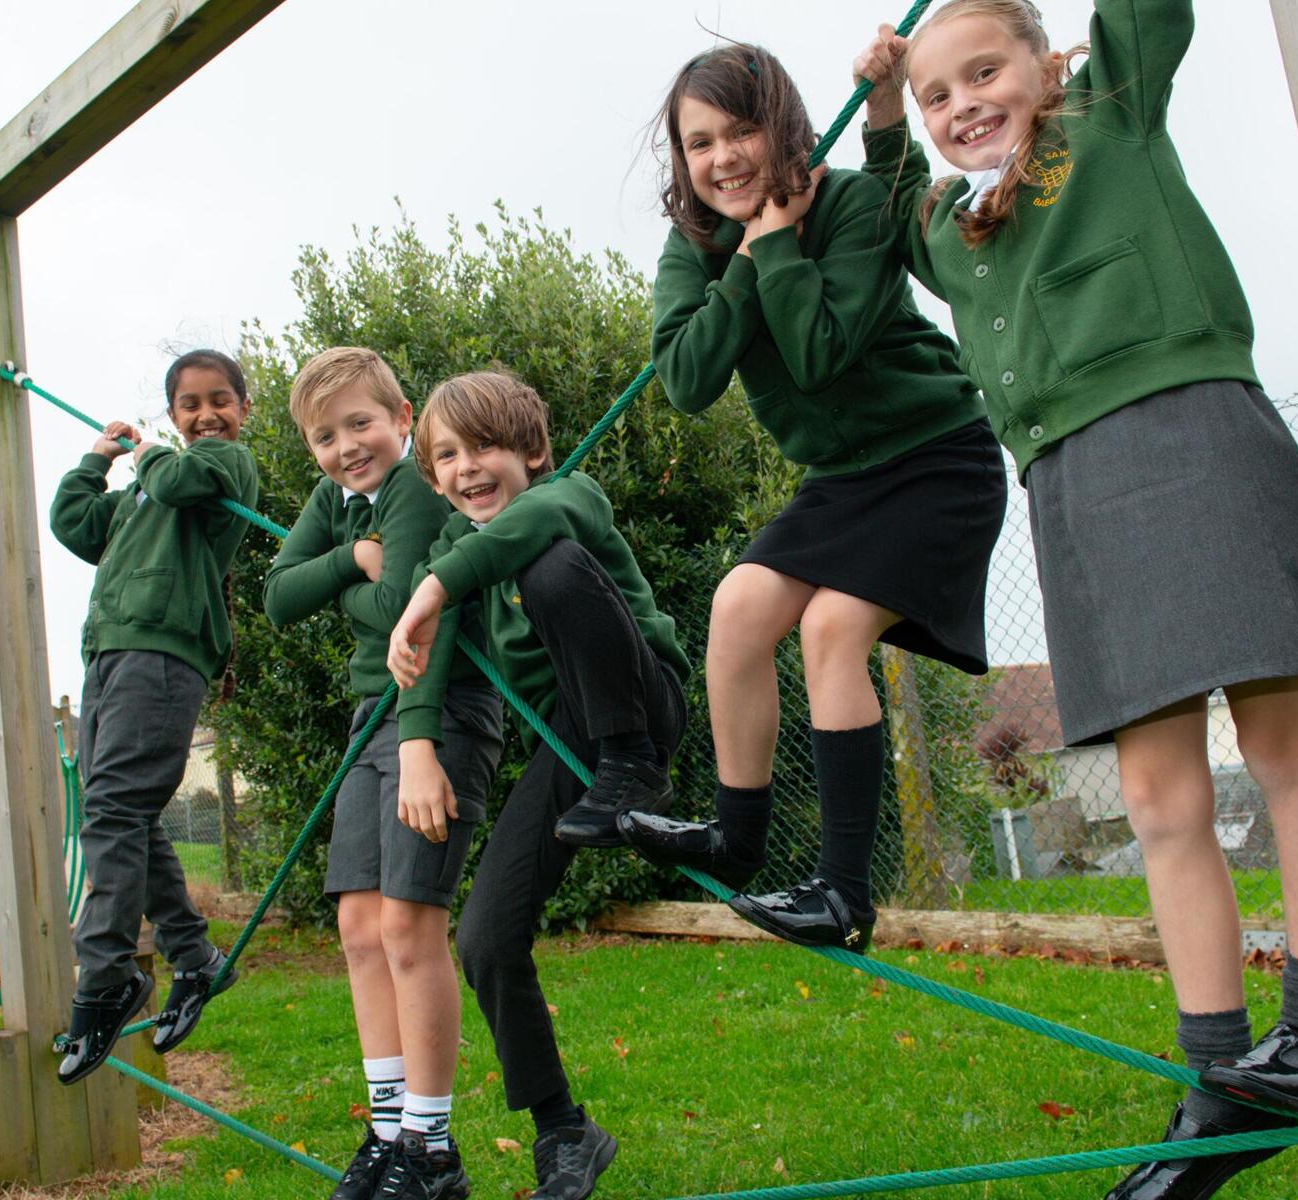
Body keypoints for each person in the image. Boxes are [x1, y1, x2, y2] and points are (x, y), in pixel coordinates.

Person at [854, 4, 1298, 1195]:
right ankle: (1219, 1086)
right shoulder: (954, 227)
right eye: (936, 96)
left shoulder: (1106, 118)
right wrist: (880, 110)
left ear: (1047, 63)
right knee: (1152, 795)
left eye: (984, 71)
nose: (962, 105)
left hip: (1188, 437)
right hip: (1070, 490)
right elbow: (895, 213)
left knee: (1277, 742)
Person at [621, 42, 1004, 954]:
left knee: (832, 629)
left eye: (742, 131)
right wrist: (749, 257)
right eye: (700, 142)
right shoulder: (697, 245)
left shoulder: (851, 204)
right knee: (739, 605)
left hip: (934, 458)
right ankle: (737, 835)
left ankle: (843, 894)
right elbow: (686, 377)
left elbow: (821, 351)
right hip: (842, 478)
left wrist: (780, 243)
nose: (724, 157)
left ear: (782, 124)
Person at [388, 372, 688, 1200]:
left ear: (532, 452)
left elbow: (534, 532)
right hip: (569, 743)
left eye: (485, 446)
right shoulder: (458, 553)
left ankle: (634, 768)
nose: (467, 467)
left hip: (642, 706)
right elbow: (429, 652)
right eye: (447, 455)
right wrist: (416, 743)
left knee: (551, 565)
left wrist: (434, 586)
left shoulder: (568, 495)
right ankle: (564, 1129)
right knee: (484, 938)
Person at [262, 348, 505, 1200]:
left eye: (360, 423)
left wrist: (357, 581)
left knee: (408, 926)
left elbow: (406, 607)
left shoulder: (411, 491)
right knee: (359, 928)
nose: (346, 447)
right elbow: (278, 596)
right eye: (324, 437)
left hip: (439, 715)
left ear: (403, 418)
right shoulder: (335, 502)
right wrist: (349, 563)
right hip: (372, 719)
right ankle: (389, 1128)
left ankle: (431, 1150)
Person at [48, 348, 261, 1085]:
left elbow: (177, 478)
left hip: (164, 652)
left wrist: (148, 457)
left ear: (242, 410)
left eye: (219, 400)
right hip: (109, 652)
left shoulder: (224, 466)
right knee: (122, 814)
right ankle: (193, 956)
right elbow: (75, 524)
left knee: (113, 810)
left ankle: (106, 976)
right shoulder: (142, 490)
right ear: (170, 413)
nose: (206, 414)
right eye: (189, 404)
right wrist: (96, 460)